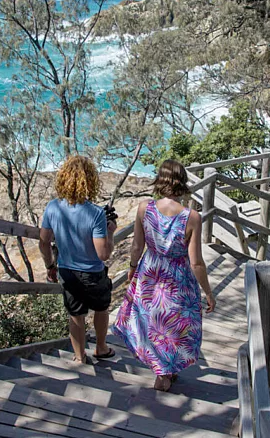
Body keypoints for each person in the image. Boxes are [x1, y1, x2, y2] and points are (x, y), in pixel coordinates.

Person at [112, 159, 216, 392]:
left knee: (152, 320)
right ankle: (165, 372)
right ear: (182, 182)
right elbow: (196, 261)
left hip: (150, 271)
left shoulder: (144, 208)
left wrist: (132, 268)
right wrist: (208, 292)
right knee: (174, 324)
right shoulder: (192, 217)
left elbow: (137, 246)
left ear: (160, 180)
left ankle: (162, 370)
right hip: (177, 275)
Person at [39, 155, 117, 363]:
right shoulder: (95, 214)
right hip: (93, 272)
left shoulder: (53, 207)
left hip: (67, 271)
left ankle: (79, 356)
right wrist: (110, 233)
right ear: (90, 180)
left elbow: (44, 241)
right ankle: (101, 348)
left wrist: (50, 266)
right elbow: (103, 254)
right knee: (101, 309)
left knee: (76, 314)